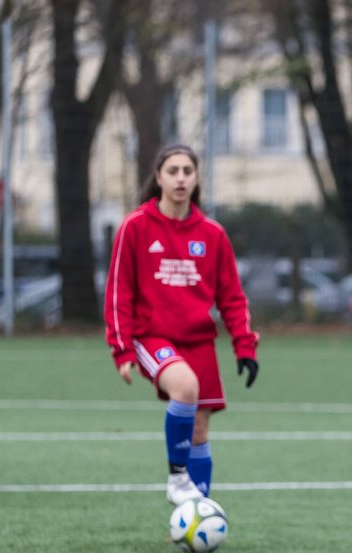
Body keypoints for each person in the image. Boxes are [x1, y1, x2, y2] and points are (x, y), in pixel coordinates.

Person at [104, 143, 259, 505]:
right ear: (158, 178)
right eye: (172, 171)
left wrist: (245, 346)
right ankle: (176, 479)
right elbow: (118, 292)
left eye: (187, 171)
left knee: (200, 432)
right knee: (185, 387)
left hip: (198, 342)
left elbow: (232, 298)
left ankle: (196, 511)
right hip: (151, 336)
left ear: (196, 178)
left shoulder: (213, 234)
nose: (180, 178)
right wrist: (121, 348)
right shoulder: (135, 227)